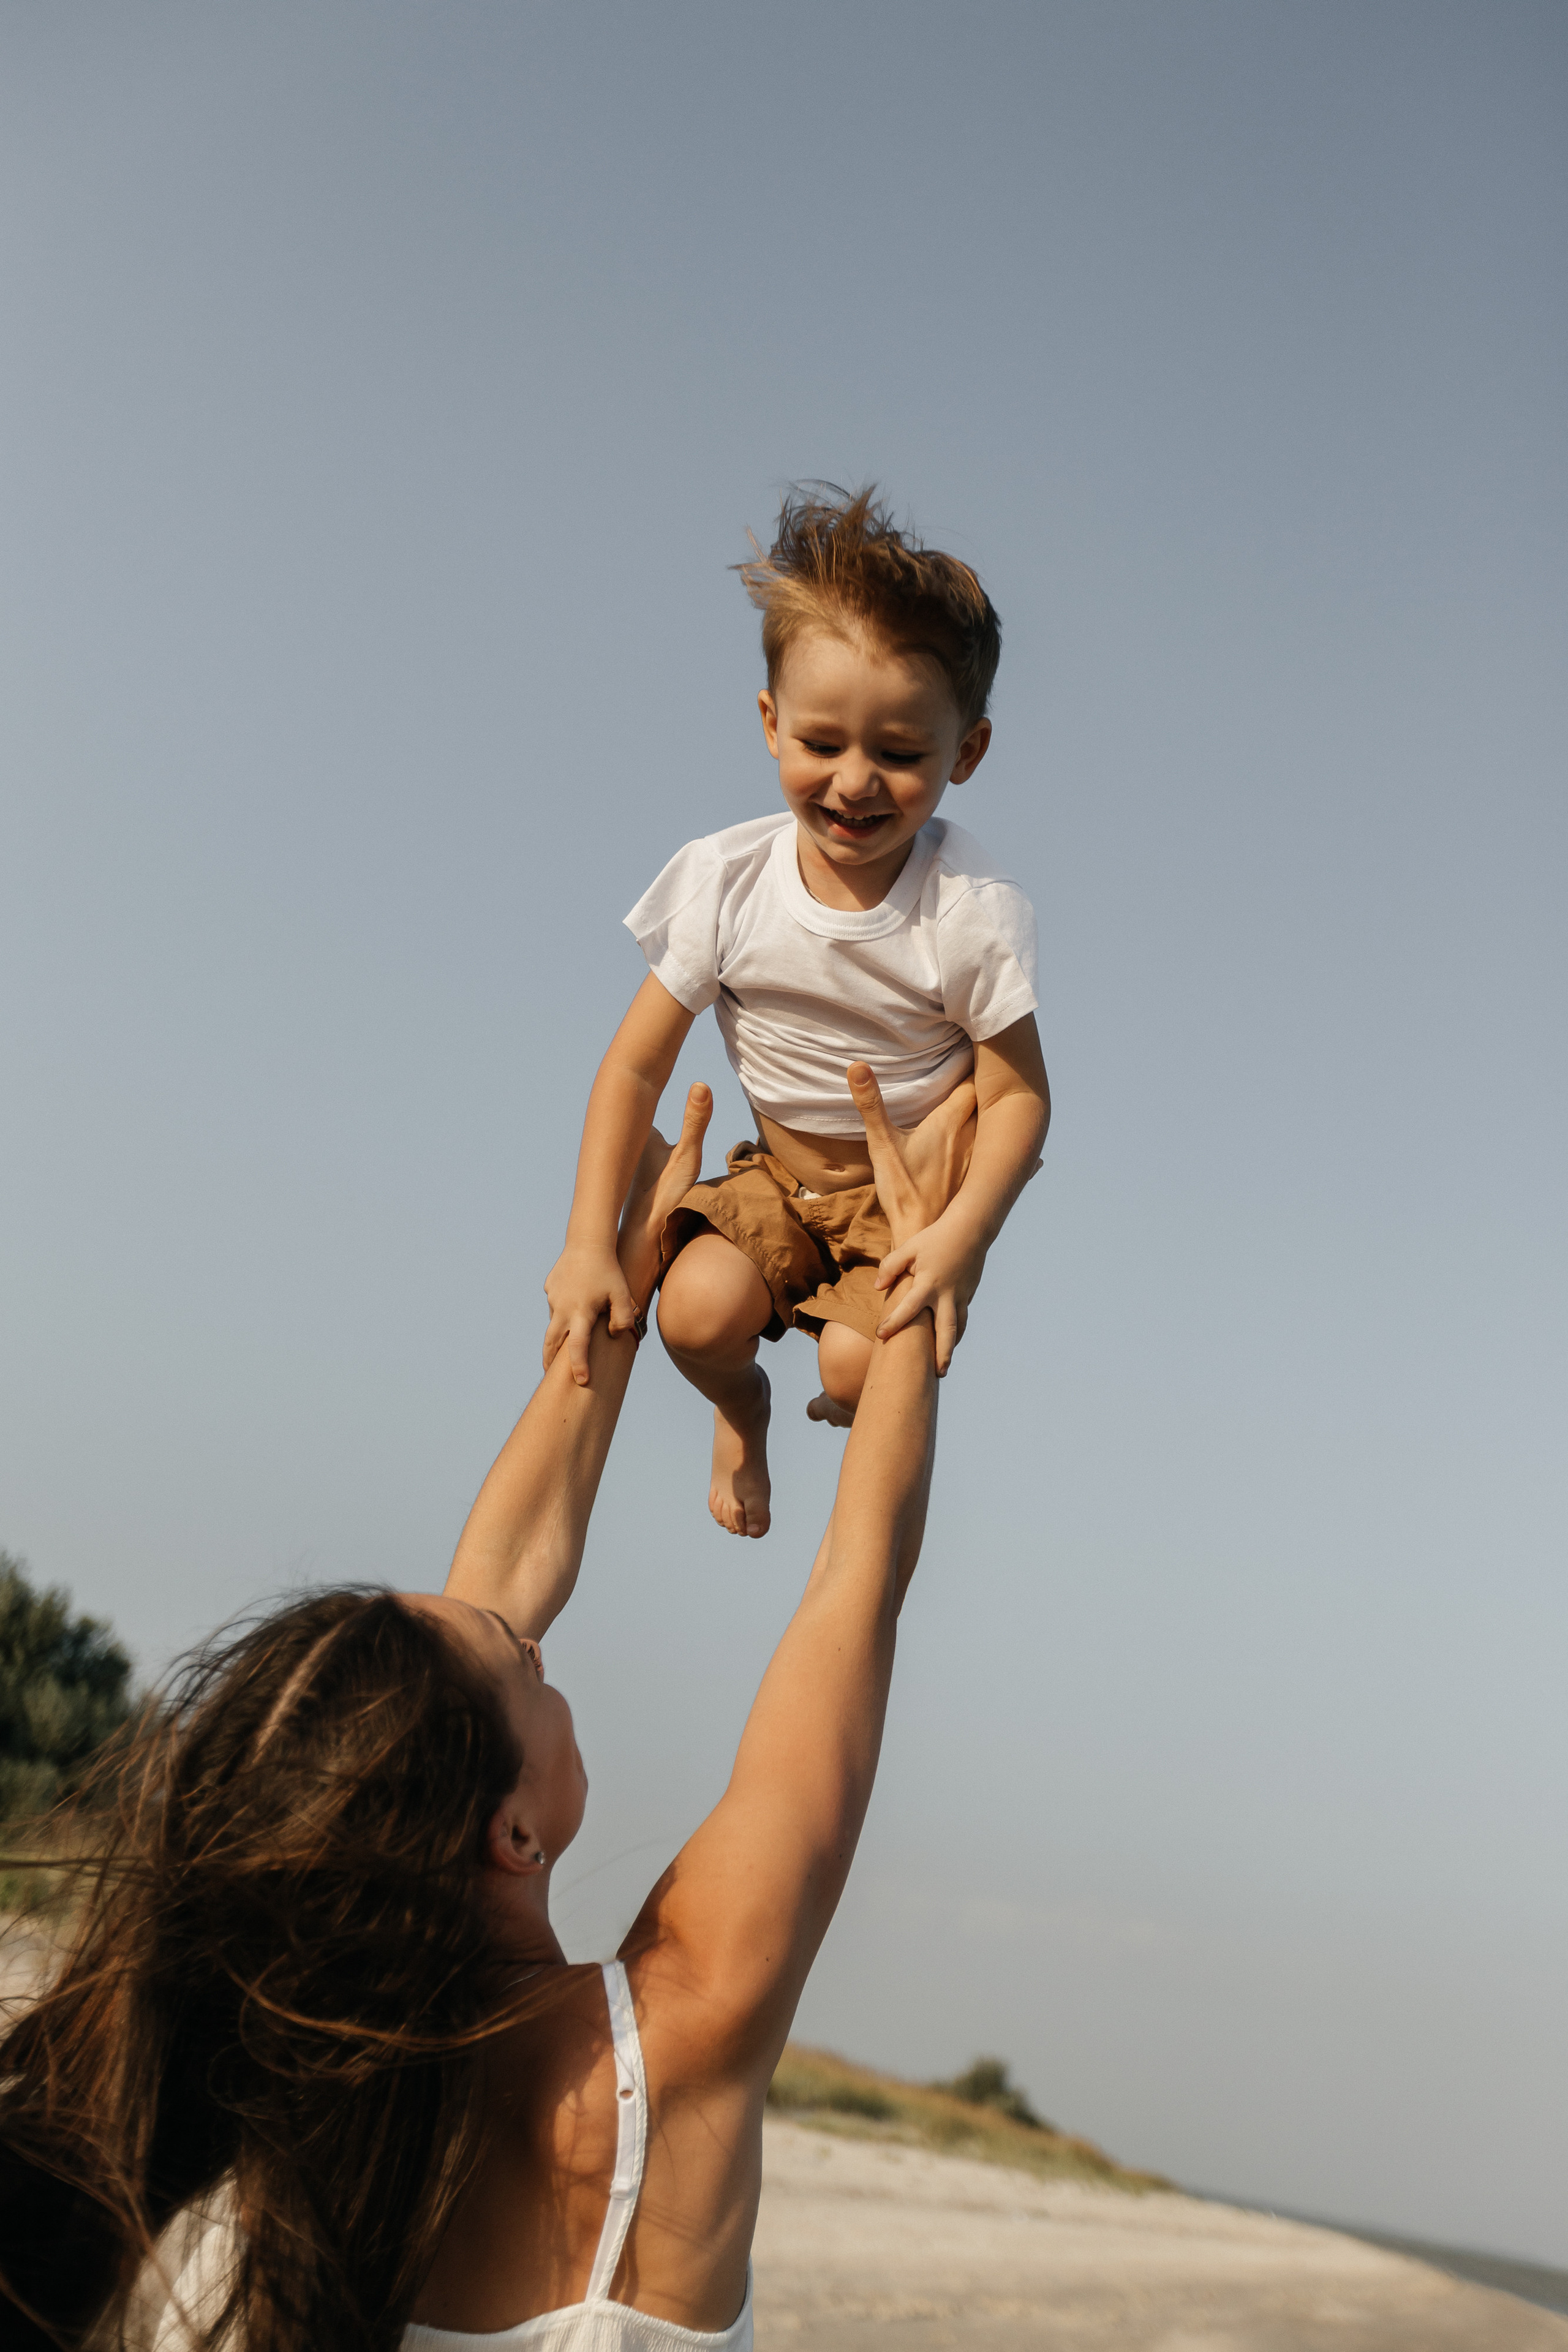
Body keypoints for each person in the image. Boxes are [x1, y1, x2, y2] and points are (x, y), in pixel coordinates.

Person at [0, 1062, 974, 2352]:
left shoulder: (320, 2093)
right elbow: (852, 1594)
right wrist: (906, 1286)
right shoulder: (666, 2045)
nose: (531, 1643)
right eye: (524, 1665)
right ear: (511, 1835)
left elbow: (494, 1602)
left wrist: (619, 1306)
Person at [543, 484, 1050, 1541]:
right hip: (777, 1175)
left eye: (902, 755)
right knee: (691, 1316)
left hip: (901, 1195)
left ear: (968, 752)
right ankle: (745, 1409)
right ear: (771, 722)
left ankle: (847, 1411)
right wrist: (589, 1241)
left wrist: (964, 1235)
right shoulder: (727, 884)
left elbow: (1018, 1101)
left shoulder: (967, 913)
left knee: (860, 1366)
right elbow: (632, 1070)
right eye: (823, 742)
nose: (855, 782)